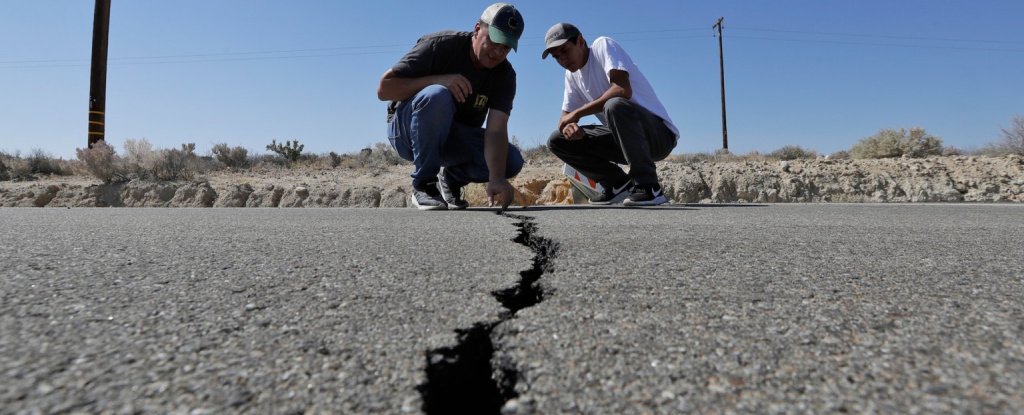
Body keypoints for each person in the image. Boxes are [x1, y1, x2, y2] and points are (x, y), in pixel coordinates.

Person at [377, 3, 525, 210]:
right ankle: (424, 184)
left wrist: (497, 177)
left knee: (511, 161)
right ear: (477, 29)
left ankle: (451, 180)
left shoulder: (505, 76)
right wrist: (439, 80)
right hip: (406, 132)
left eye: (506, 47)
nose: (497, 52)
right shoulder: (441, 45)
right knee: (437, 95)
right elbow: (384, 89)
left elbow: (496, 130)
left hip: (453, 139)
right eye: (493, 41)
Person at [542, 23, 679, 206]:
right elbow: (565, 118)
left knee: (615, 105)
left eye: (565, 51)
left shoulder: (602, 46)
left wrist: (577, 114)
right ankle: (617, 184)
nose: (563, 60)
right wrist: (569, 127)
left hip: (658, 137)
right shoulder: (571, 75)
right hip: (625, 141)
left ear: (581, 41)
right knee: (557, 140)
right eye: (556, 57)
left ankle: (649, 186)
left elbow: (622, 89)